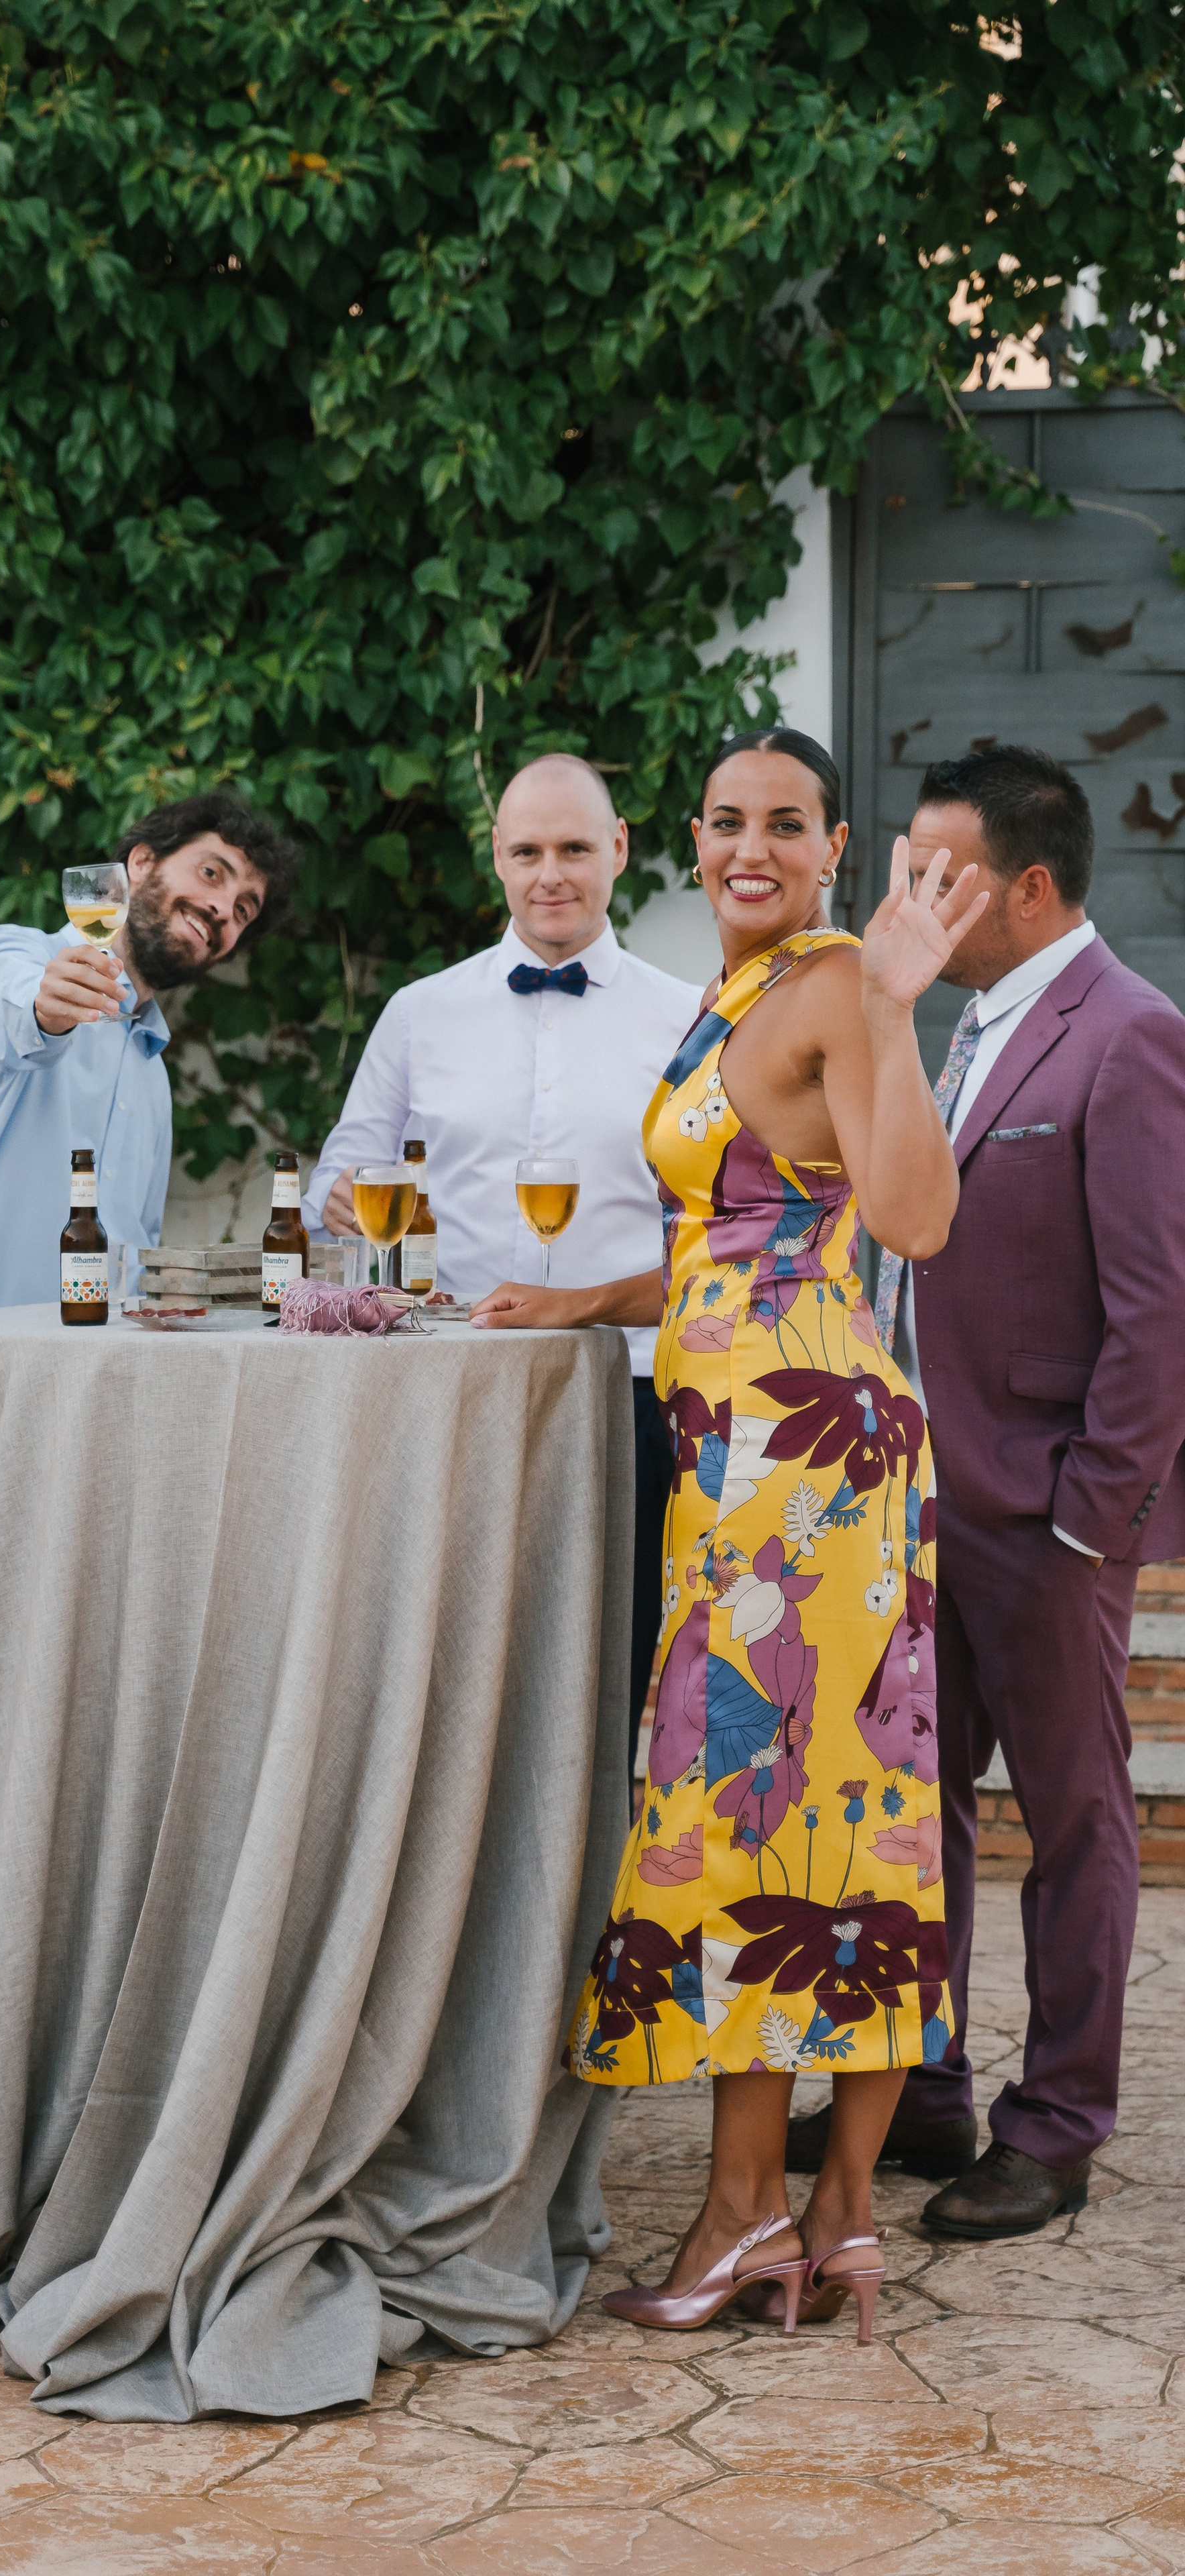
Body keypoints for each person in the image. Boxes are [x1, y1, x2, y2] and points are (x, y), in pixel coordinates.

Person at [475, 728, 987, 2338]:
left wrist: (900, 1009)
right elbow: (736, 1234)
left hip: (807, 1467)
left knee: (773, 1822)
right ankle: (826, 2216)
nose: (746, 846)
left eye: (783, 824)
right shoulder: (738, 988)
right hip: (747, 1451)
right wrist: (581, 1302)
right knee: (828, 1818)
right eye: (723, 822)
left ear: (832, 844)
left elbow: (908, 1219)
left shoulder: (838, 984)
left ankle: (744, 2216)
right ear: (685, 844)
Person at [0, 792, 298, 2028]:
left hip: (87, 1433)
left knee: (46, 1741)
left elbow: (113, 1268)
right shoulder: (15, 962)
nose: (220, 912)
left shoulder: (151, 1070)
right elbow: (15, 1006)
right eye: (209, 877)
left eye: (241, 908)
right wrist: (51, 995)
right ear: (138, 868)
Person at [820, 744, 1185, 2238]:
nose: (905, 894)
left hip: (1039, 1516)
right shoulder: (957, 1026)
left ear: (1025, 887)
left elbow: (1157, 1310)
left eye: (934, 871)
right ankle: (921, 2092)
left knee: (1073, 1818)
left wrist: (1087, 1518)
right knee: (917, 1814)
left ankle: (1055, 2122)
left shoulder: (1130, 1038)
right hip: (911, 1497)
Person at [300, 753, 700, 1769]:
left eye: (574, 848)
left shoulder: (690, 1016)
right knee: (455, 1672)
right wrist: (342, 1202)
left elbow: (712, 1220)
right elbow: (337, 1182)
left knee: (613, 1667)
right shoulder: (420, 1012)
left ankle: (590, 1916)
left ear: (618, 850)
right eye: (527, 851)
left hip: (633, 1391)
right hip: (453, 1388)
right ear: (498, 861)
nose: (551, 873)